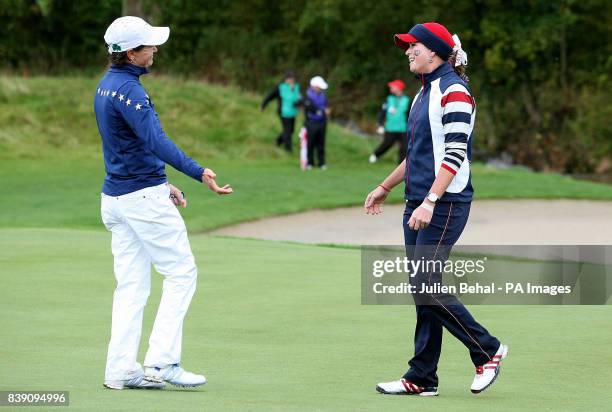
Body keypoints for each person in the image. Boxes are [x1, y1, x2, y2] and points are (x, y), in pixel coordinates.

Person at [364, 22, 507, 397]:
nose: (408, 51)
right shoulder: (422, 94)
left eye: (414, 45)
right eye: (407, 46)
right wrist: (385, 186)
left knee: (426, 284)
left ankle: (487, 351)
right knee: (421, 288)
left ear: (435, 52)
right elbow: (418, 156)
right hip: (417, 201)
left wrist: (430, 200)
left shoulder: (455, 92)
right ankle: (422, 376)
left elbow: (455, 154)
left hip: (444, 204)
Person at [94, 16, 233, 390]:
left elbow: (129, 147)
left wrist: (164, 180)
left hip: (117, 198)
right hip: (141, 199)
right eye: (149, 46)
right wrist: (198, 171)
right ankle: (162, 362)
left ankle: (121, 369)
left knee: (132, 286)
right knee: (181, 272)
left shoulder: (106, 87)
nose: (155, 50)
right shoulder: (132, 92)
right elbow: (156, 140)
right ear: (131, 53)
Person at [369, 79, 410, 164]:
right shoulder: (389, 99)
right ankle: (375, 155)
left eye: (393, 86)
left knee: (404, 148)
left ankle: (401, 165)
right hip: (391, 127)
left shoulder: (407, 100)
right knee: (386, 144)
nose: (390, 88)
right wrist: (380, 124)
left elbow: (410, 114)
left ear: (398, 88)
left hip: (403, 128)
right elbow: (382, 113)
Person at [261, 70, 301, 152]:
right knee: (287, 131)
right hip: (283, 113)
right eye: (289, 79)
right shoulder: (280, 88)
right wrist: (263, 105)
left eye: (292, 78)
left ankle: (277, 141)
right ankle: (288, 150)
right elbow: (270, 96)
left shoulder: (296, 87)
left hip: (292, 112)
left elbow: (298, 99)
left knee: (291, 130)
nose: (291, 80)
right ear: (286, 79)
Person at [303, 76, 330, 169]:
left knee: (321, 143)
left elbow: (326, 105)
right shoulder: (307, 96)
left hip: (322, 122)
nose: (320, 89)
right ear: (314, 86)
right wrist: (323, 111)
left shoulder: (323, 95)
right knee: (311, 143)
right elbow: (310, 108)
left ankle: (321, 162)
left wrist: (326, 111)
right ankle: (310, 162)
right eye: (319, 87)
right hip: (311, 122)